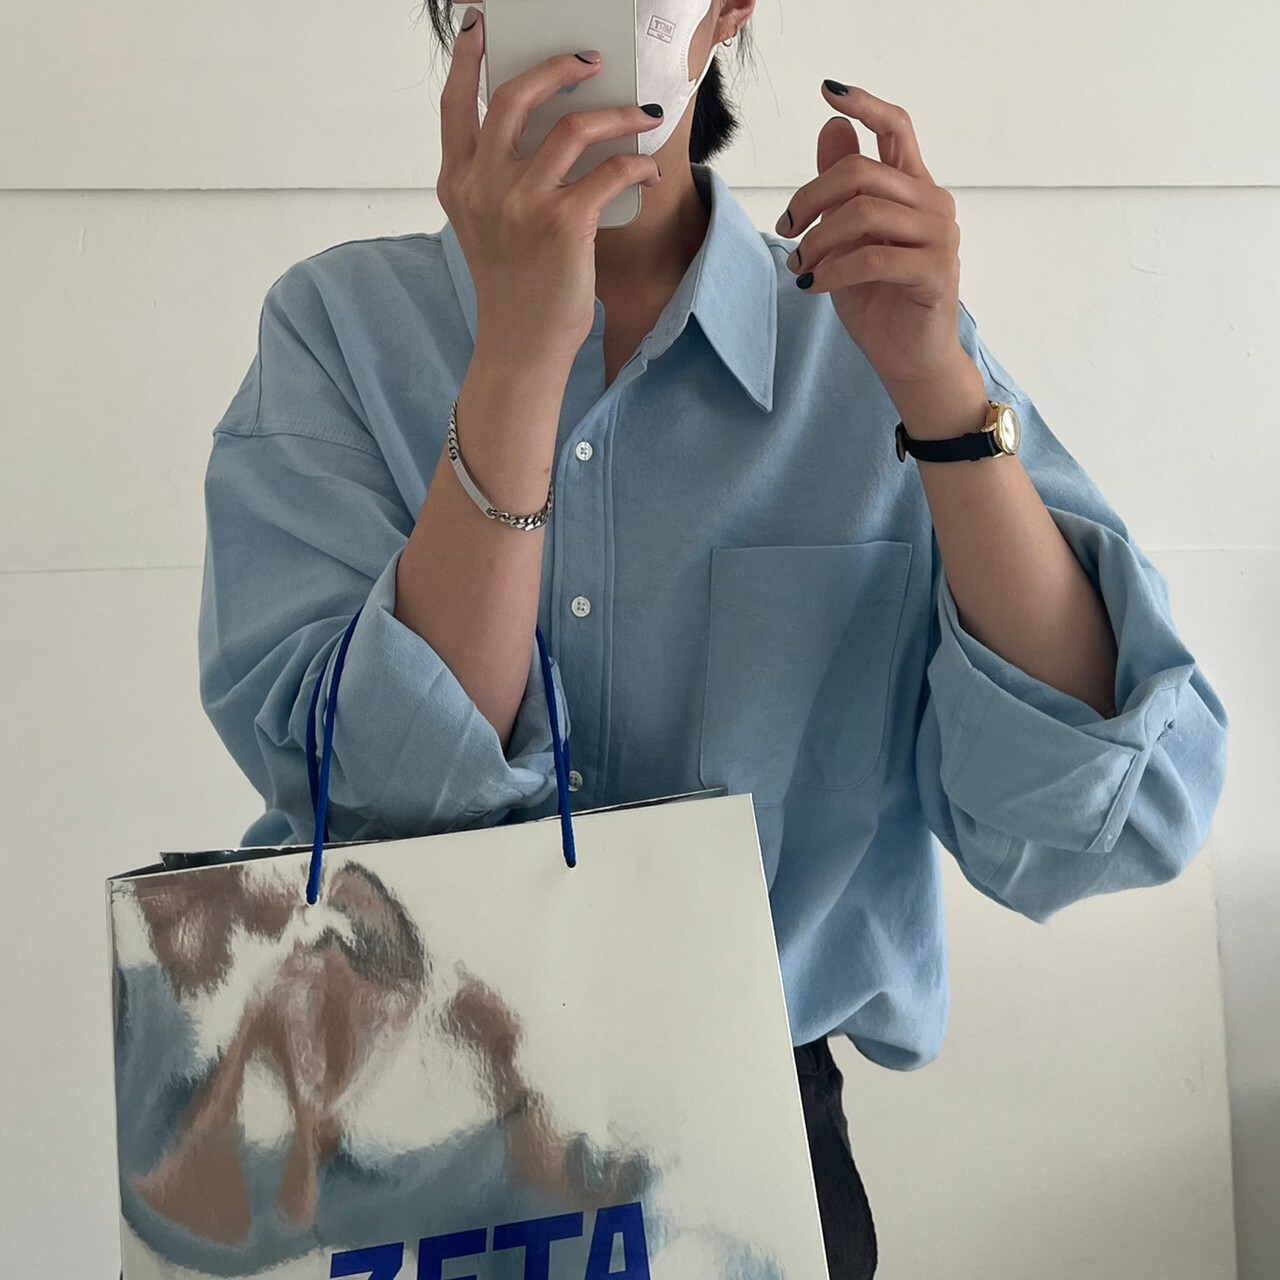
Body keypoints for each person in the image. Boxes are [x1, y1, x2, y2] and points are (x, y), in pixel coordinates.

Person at [195, 1, 1229, 1276]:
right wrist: (518, 357)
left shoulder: (865, 333)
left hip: (753, 1149)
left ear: (726, 10)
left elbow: (1112, 818)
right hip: (385, 1117)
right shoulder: (338, 331)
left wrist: (936, 392)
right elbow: (364, 804)